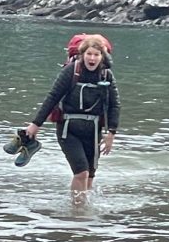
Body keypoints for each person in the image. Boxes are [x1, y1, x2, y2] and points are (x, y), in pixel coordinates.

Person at [25, 34, 120, 204]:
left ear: (102, 57)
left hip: (93, 131)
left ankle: (84, 211)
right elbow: (53, 97)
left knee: (90, 175)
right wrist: (35, 124)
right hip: (69, 129)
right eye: (89, 54)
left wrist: (111, 133)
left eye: (96, 55)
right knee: (81, 172)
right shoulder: (71, 71)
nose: (92, 58)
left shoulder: (106, 75)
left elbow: (114, 105)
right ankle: (77, 212)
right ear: (83, 54)